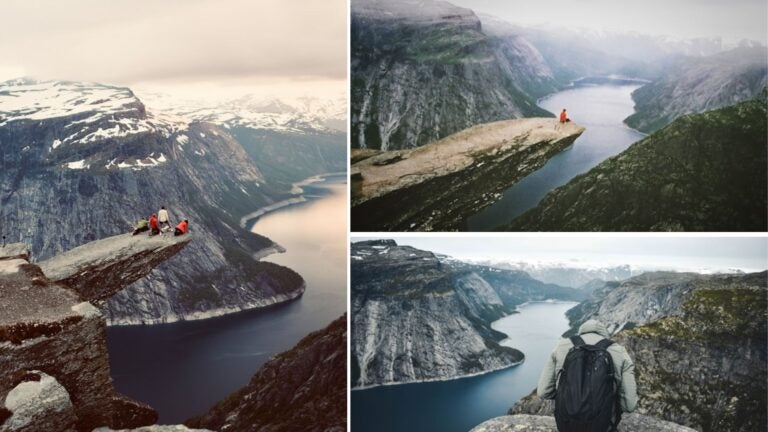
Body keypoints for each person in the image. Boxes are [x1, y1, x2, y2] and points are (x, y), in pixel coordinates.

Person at [537, 319, 637, 432]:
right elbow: (629, 405)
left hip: (567, 425)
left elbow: (543, 391)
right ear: (604, 333)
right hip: (602, 426)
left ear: (581, 330)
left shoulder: (562, 346)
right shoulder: (619, 352)